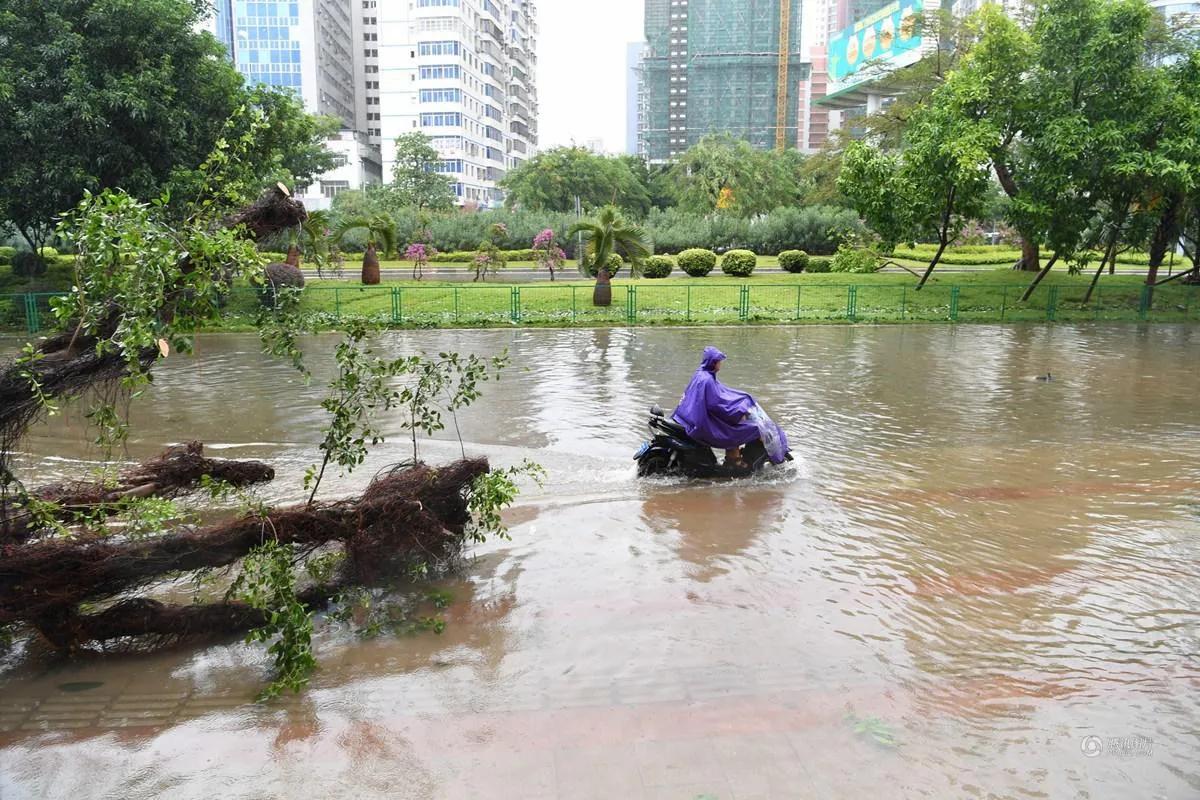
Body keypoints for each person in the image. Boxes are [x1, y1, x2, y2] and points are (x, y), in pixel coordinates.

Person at [672, 346, 763, 468]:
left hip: (691, 417)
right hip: (702, 423)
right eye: (719, 361)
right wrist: (739, 409)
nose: (721, 364)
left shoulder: (701, 374)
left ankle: (732, 458)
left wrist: (741, 399)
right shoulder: (707, 380)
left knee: (733, 423)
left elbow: (721, 393)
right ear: (713, 362)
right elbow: (717, 404)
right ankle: (734, 461)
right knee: (739, 428)